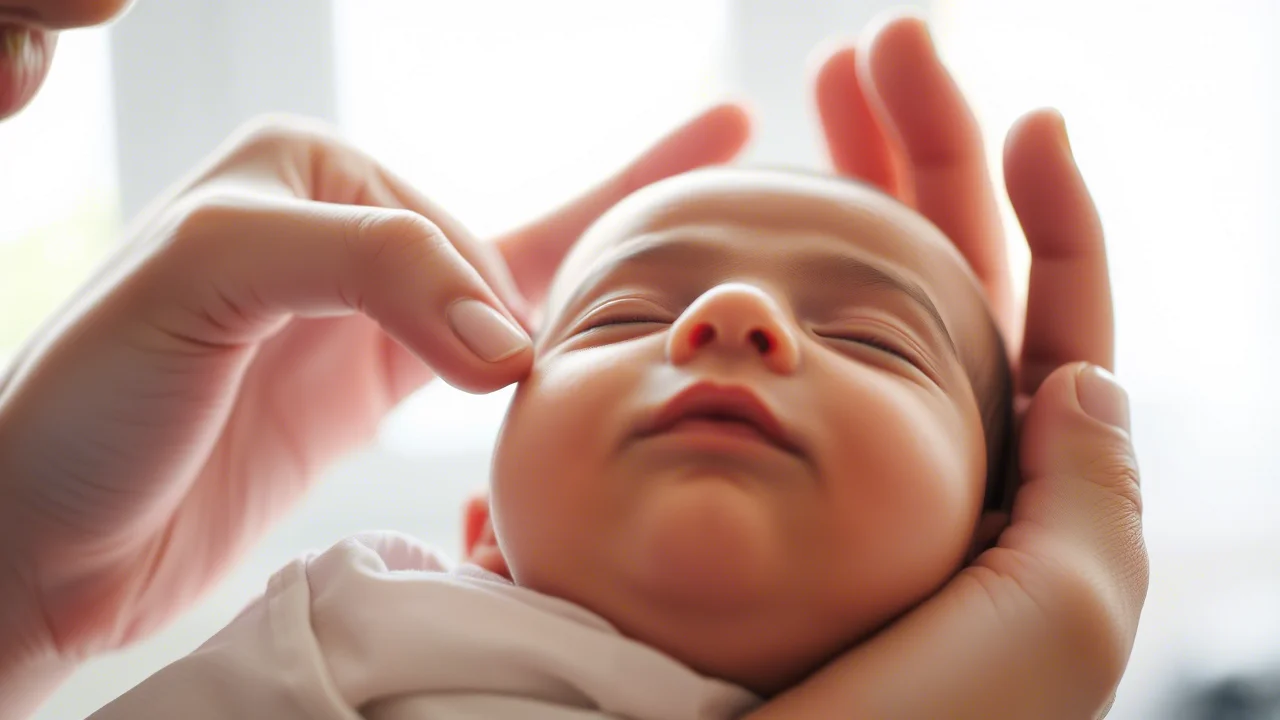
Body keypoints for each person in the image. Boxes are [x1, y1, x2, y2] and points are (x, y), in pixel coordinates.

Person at [0, 1, 1146, 717]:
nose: (735, 311)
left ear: (989, 552)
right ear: (483, 536)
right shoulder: (372, 635)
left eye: (871, 337)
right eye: (617, 318)